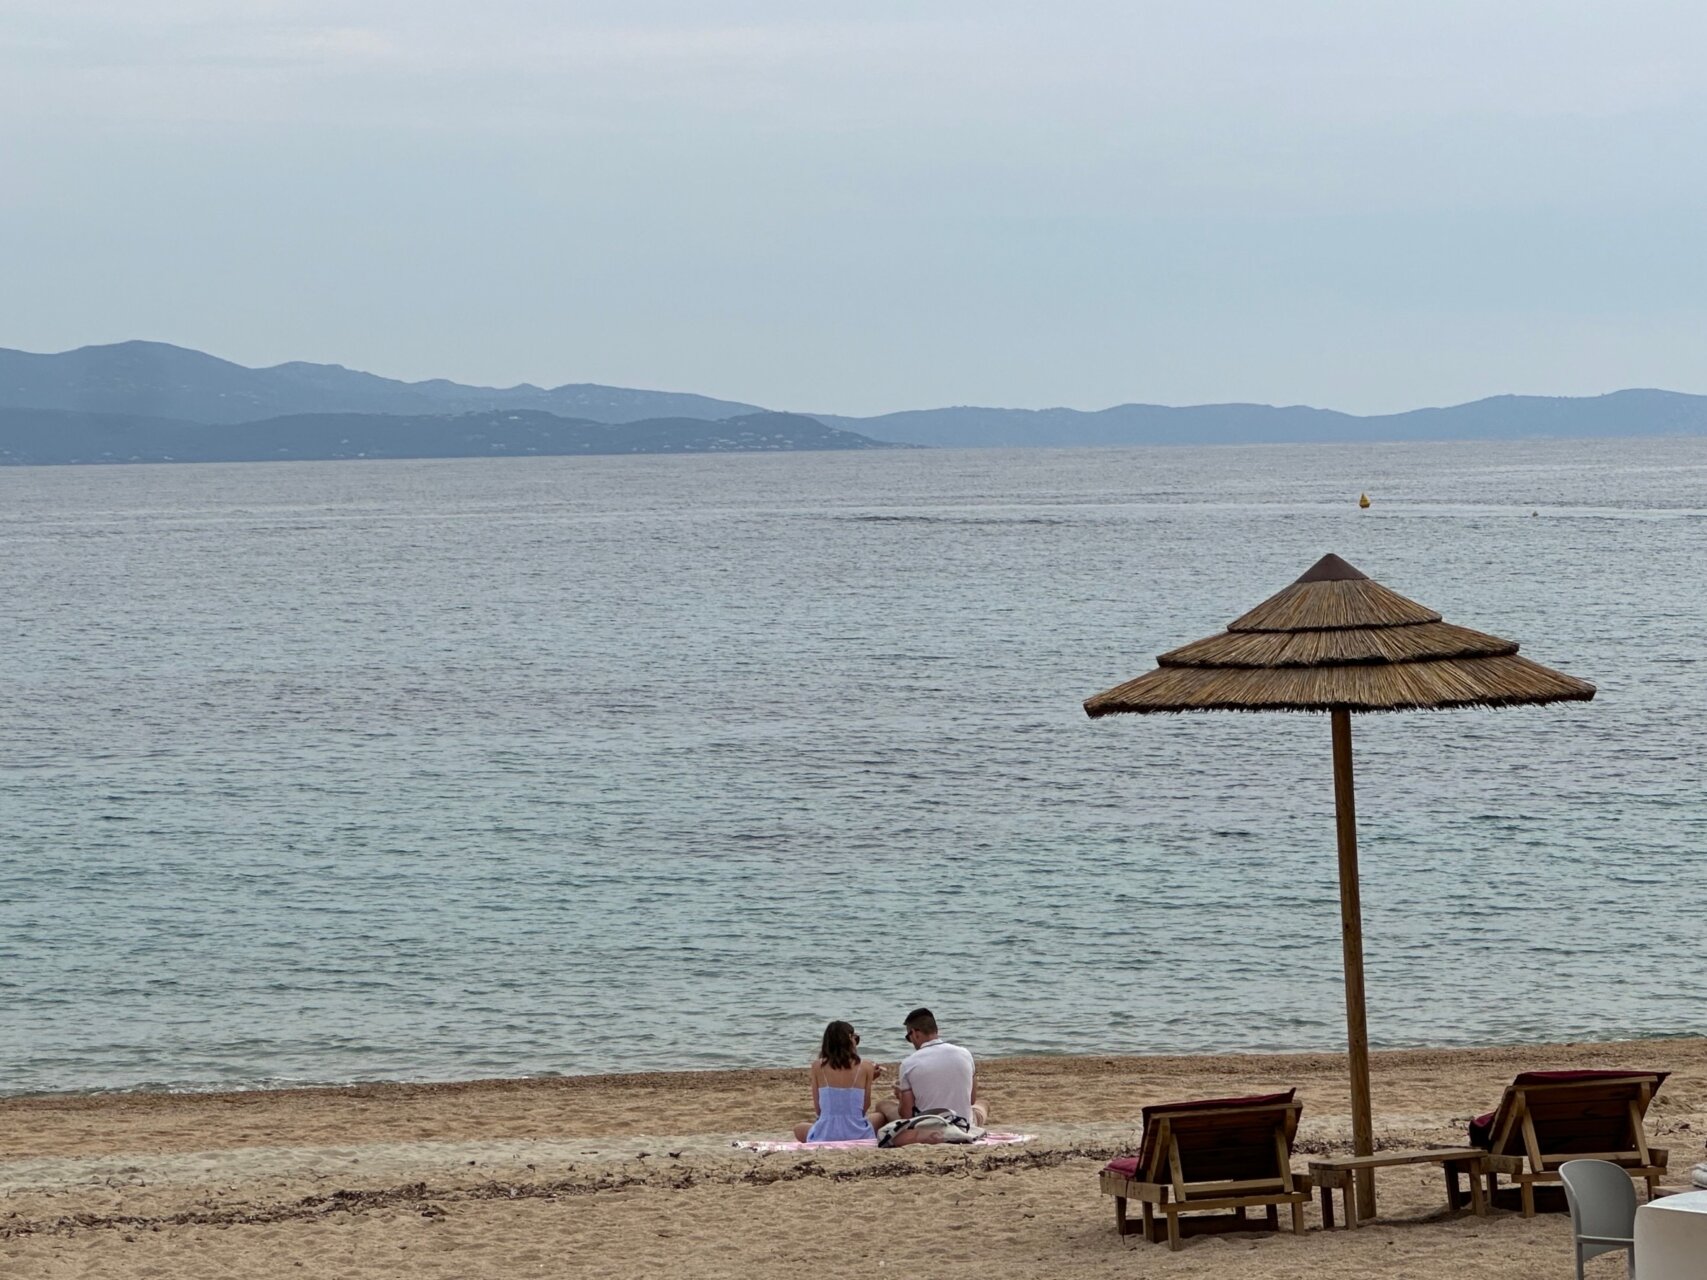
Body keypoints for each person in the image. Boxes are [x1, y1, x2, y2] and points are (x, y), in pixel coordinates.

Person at [873, 1007, 988, 1128]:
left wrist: (902, 1096)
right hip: (963, 1125)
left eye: (908, 1037)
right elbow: (971, 1100)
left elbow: (906, 1114)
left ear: (915, 1033)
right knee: (983, 1104)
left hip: (926, 1127)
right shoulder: (965, 1054)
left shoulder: (908, 1064)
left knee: (883, 1105)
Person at [793, 1020, 881, 1143]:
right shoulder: (866, 1066)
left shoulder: (818, 1066)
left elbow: (819, 1109)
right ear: (850, 1040)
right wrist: (869, 1078)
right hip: (858, 1133)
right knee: (879, 1117)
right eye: (856, 1038)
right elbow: (865, 1106)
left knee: (799, 1128)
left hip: (826, 1134)